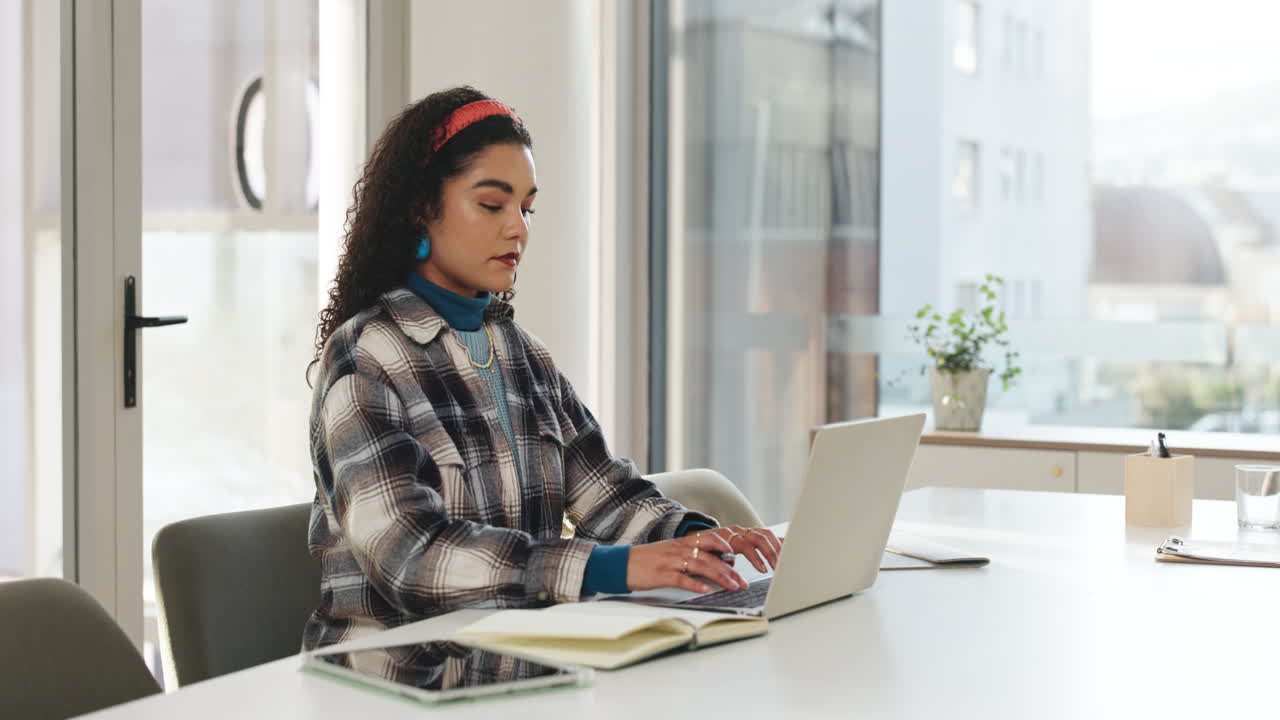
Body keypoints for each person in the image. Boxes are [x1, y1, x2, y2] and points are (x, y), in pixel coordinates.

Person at [303, 86, 781, 684]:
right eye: (492, 204)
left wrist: (693, 540)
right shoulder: (365, 357)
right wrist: (609, 568)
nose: (518, 231)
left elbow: (605, 491)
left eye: (526, 209)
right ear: (421, 207)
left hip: (520, 669)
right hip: (399, 688)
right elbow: (413, 560)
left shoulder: (521, 353)